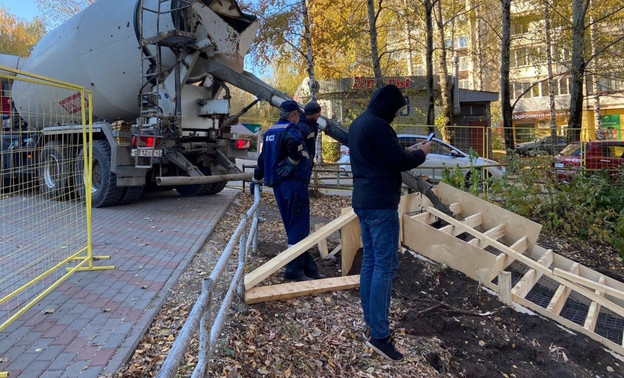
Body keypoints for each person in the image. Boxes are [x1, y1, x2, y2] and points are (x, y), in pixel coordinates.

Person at [348, 84, 431, 361]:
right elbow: (397, 161)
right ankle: (381, 337)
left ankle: (372, 325)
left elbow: (382, 156)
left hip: (363, 201)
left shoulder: (359, 124)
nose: (395, 115)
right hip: (381, 205)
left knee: (371, 262)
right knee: (384, 266)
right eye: (396, 110)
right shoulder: (379, 125)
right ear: (388, 106)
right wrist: (421, 153)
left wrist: (411, 148)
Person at [251, 100, 322, 282]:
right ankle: (293, 270)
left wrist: (256, 178)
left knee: (293, 225)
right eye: (298, 115)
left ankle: (308, 267)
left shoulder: (270, 132)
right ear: (292, 115)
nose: (299, 118)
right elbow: (295, 146)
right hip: (294, 184)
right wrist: (294, 160)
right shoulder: (291, 130)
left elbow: (262, 159)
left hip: (278, 185)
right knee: (298, 226)